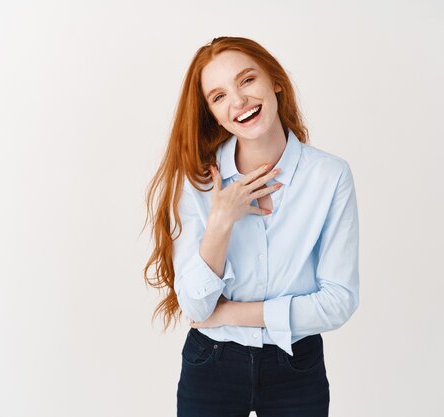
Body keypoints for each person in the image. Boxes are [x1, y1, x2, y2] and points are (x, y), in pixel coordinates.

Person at [143, 36, 360, 417]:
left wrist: (229, 314)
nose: (239, 102)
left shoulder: (330, 175)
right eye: (219, 96)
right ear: (212, 112)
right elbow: (196, 304)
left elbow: (338, 302)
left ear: (274, 80)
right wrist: (221, 220)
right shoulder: (195, 182)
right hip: (211, 363)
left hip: (296, 364)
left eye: (246, 80)